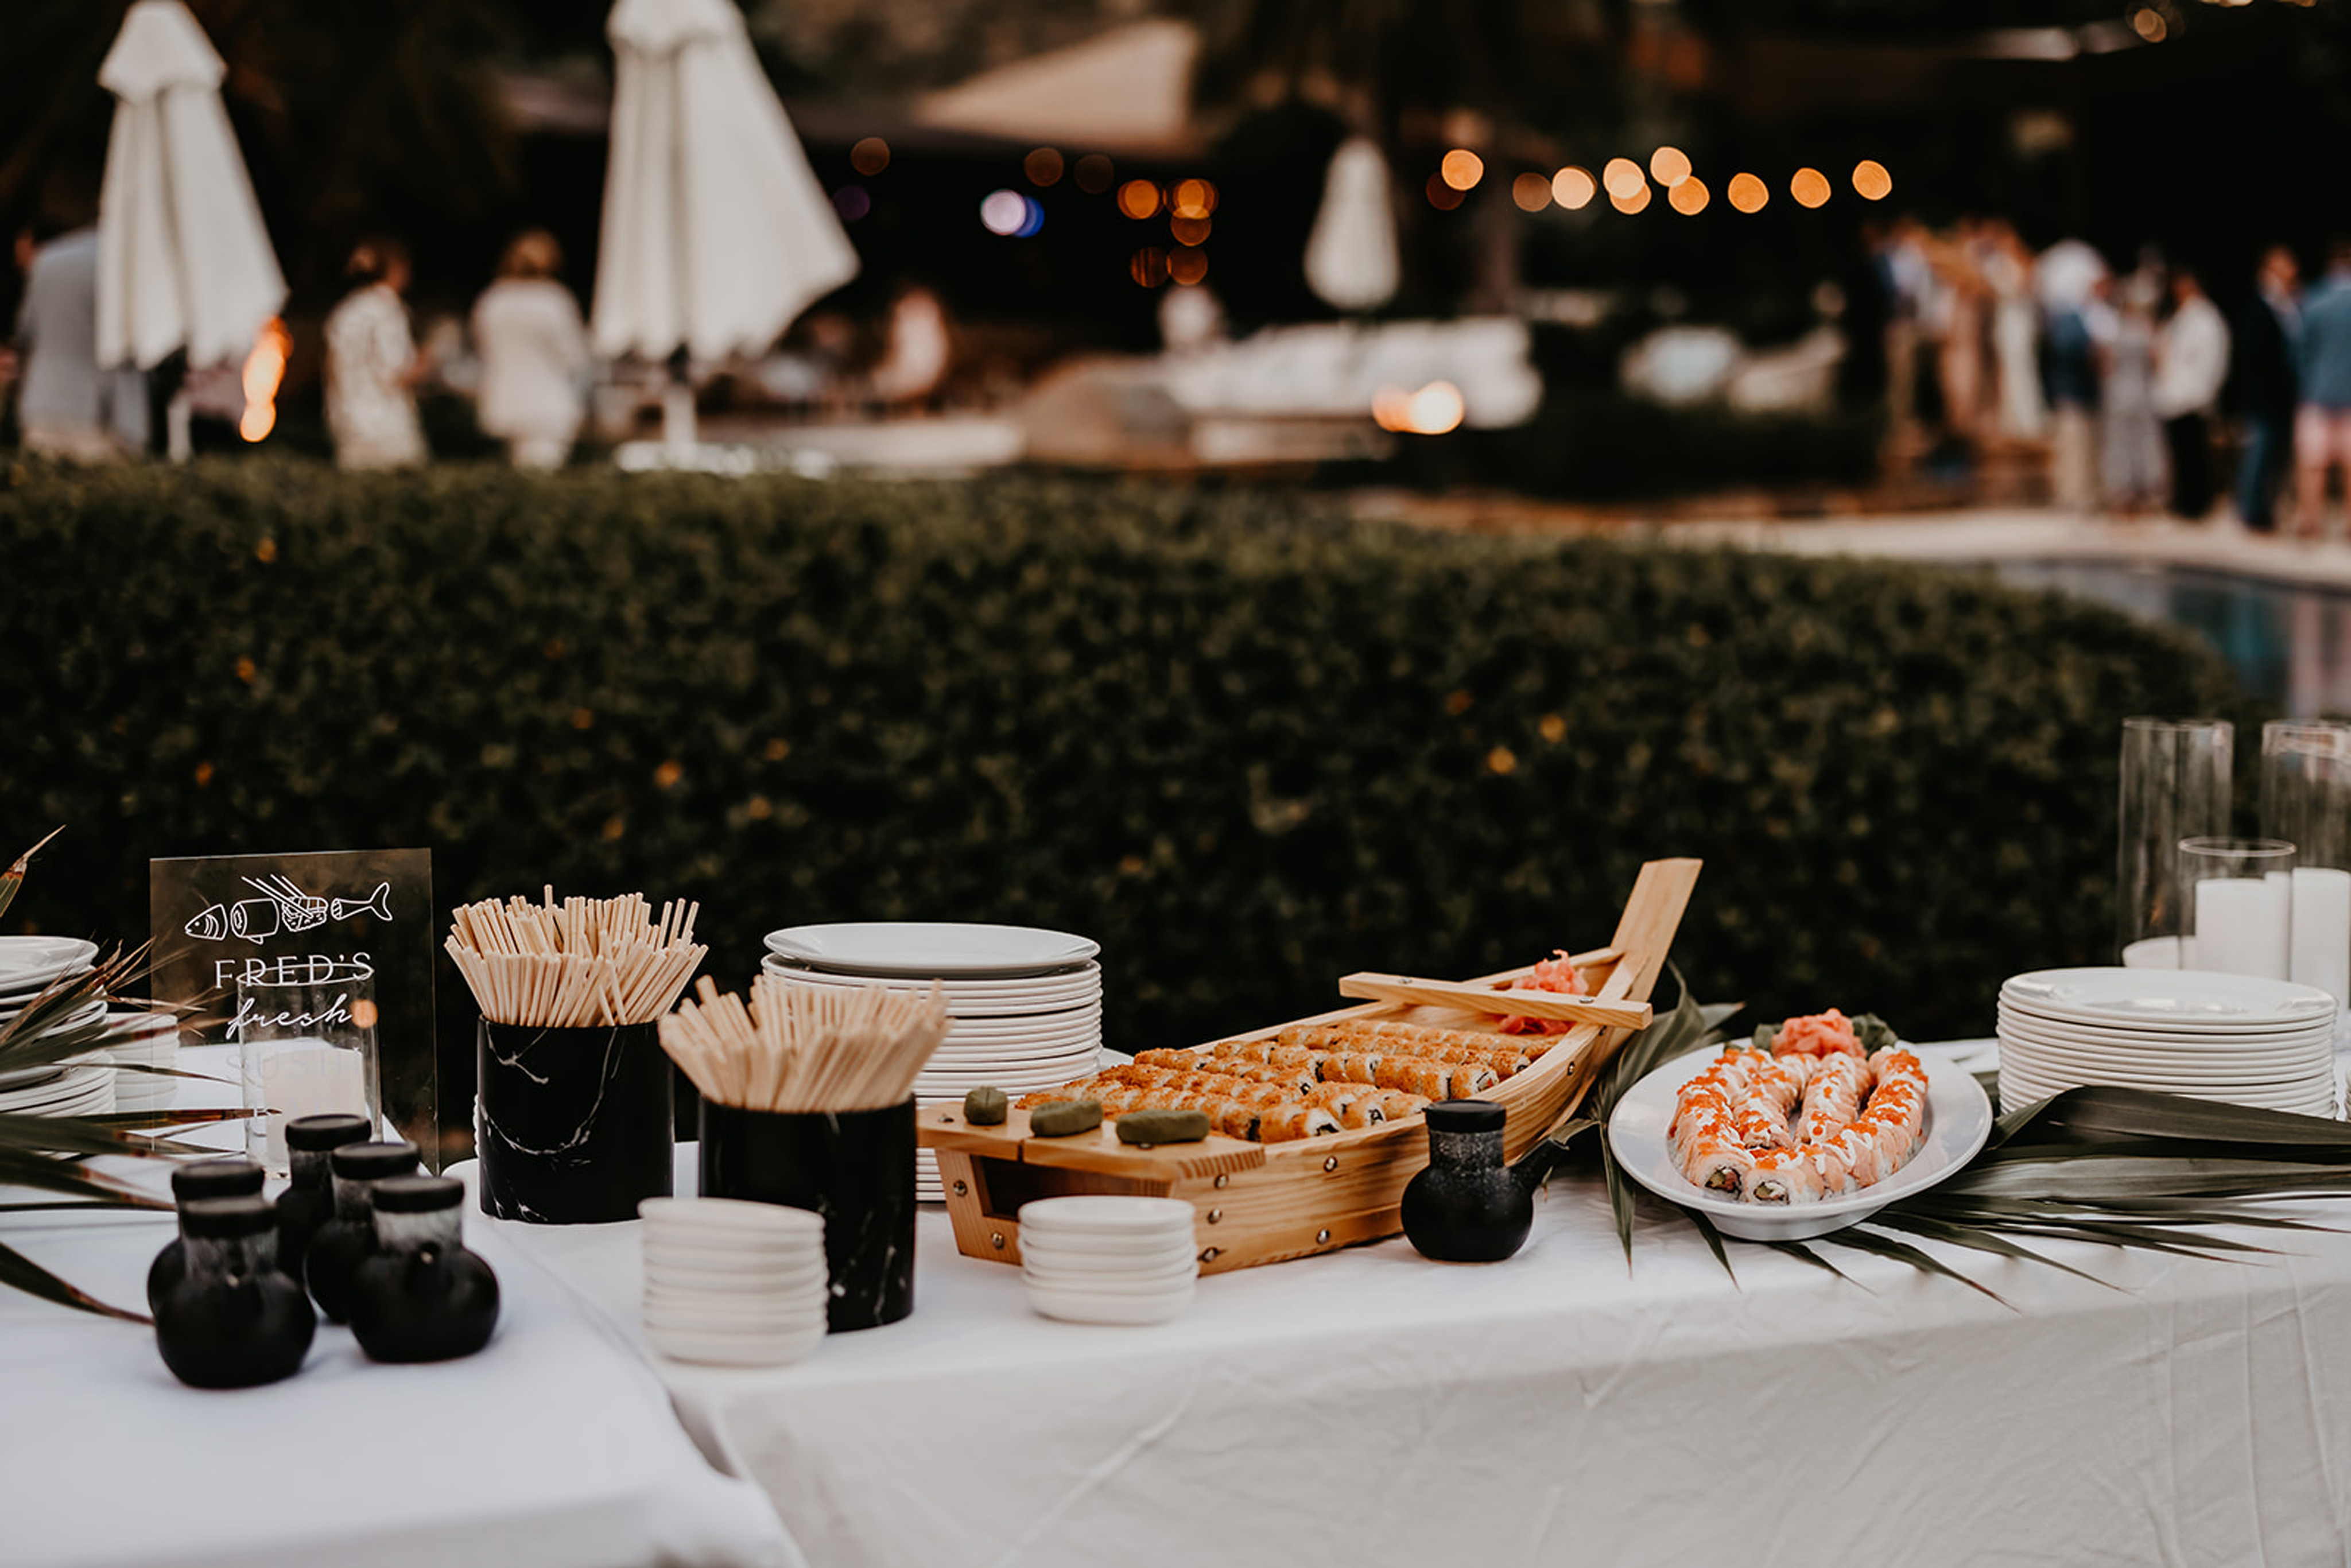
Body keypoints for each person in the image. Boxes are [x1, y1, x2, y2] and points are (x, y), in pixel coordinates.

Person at [11, 215, 145, 461]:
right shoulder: (131, 262)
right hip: (105, 412)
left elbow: (26, 333)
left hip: (43, 405)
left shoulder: (47, 261)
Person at [470, 230, 590, 469]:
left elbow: (482, 350)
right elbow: (576, 358)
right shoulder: (553, 301)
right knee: (541, 480)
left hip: (503, 401)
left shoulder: (491, 301)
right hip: (547, 405)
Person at [324, 237, 426, 469]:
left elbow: (331, 367)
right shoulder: (387, 310)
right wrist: (428, 361)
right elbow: (395, 372)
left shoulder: (344, 312)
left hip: (348, 420)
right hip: (388, 426)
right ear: (396, 270)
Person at [2152, 266, 2230, 521]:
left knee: (2195, 455)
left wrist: (2204, 393)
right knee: (2181, 455)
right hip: (2175, 396)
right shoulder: (2181, 317)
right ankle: (2184, 501)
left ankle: (2196, 505)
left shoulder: (2206, 318)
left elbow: (2213, 360)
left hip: (2193, 397)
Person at [2038, 238, 2108, 511]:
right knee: (2073, 453)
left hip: (2086, 394)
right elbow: (2066, 349)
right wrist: (2091, 352)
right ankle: (2073, 499)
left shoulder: (2090, 314)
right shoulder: (2067, 315)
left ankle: (2090, 496)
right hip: (2070, 393)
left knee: (2088, 451)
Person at [2236, 246, 2302, 532]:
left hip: (2282, 397)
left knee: (2275, 456)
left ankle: (2265, 508)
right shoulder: (2260, 306)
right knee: (2259, 454)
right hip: (2264, 396)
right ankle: (2251, 511)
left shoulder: (2290, 304)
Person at [2295, 238, 2351, 540]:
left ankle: (2310, 521)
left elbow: (2301, 350)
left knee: (2312, 464)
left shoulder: (2315, 299)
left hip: (2318, 392)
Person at [2100, 271, 2167, 515]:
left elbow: (2105, 364)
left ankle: (2124, 493)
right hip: (2141, 391)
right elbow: (2157, 362)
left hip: (2120, 392)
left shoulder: (2114, 329)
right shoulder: (2147, 330)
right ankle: (2143, 491)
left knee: (2122, 444)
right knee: (2142, 443)